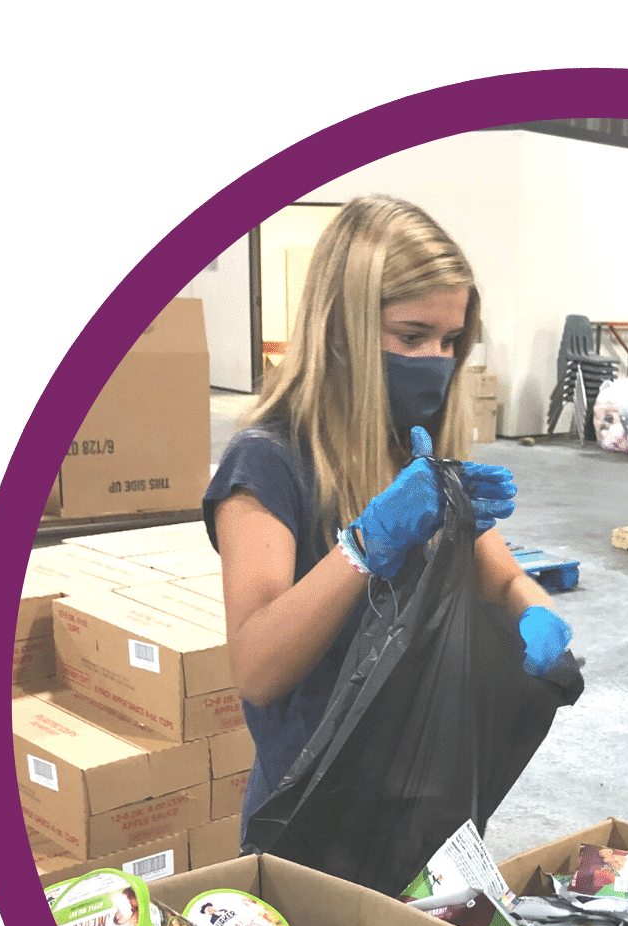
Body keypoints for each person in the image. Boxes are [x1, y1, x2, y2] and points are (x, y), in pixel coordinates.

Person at [203, 196, 574, 840]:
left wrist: (534, 612)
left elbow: (504, 578)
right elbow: (258, 670)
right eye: (411, 336)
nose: (436, 358)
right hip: (314, 809)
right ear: (341, 328)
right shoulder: (267, 465)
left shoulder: (419, 453)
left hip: (425, 795)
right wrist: (365, 547)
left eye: (451, 340)